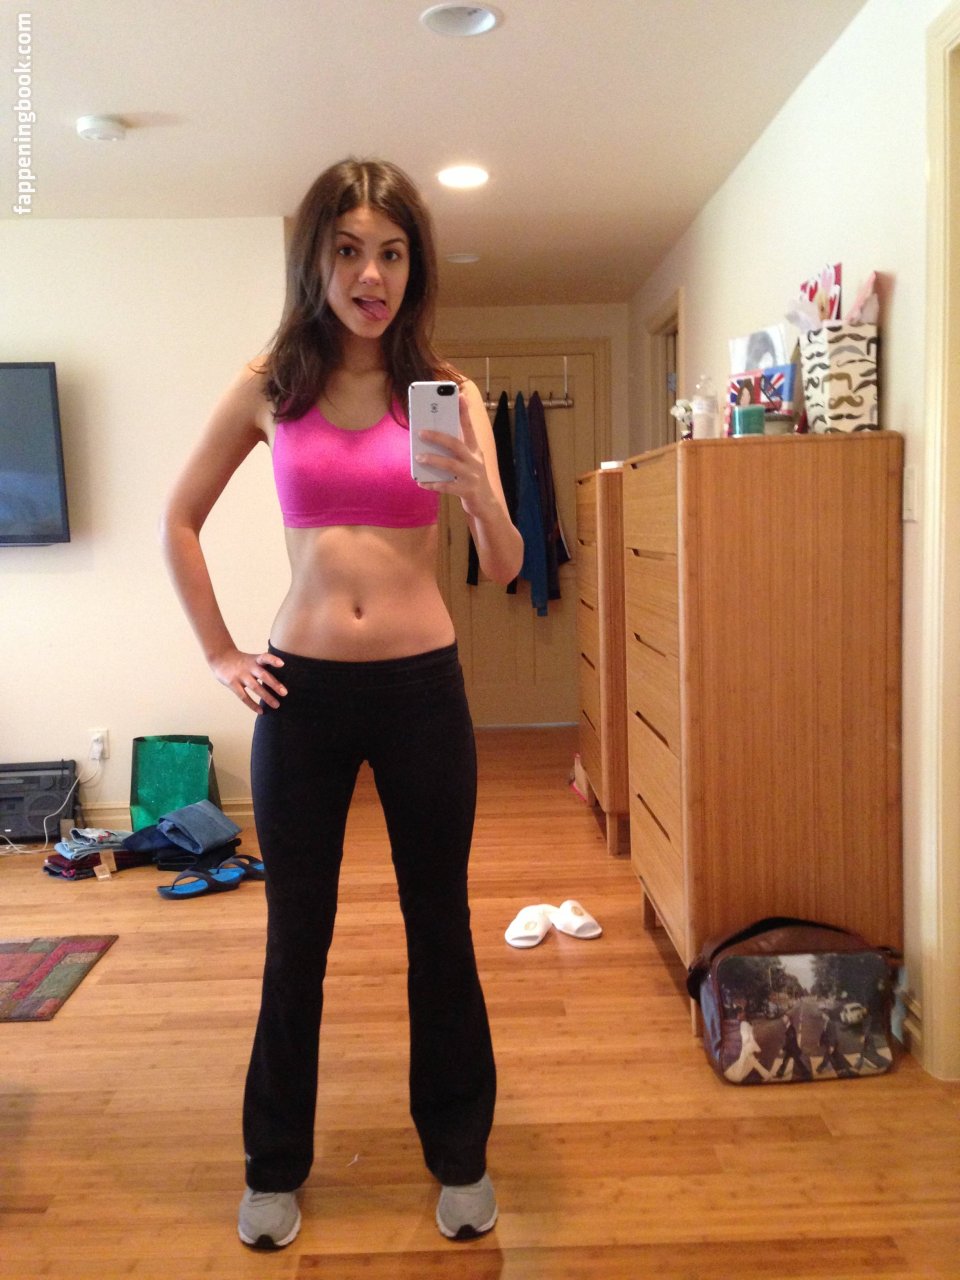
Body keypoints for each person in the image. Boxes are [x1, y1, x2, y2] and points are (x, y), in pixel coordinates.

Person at [160, 157, 523, 1250]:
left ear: (416, 267)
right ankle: (274, 1165)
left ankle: (460, 1155)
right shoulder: (272, 385)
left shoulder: (449, 393)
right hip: (302, 693)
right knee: (296, 937)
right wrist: (221, 652)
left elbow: (506, 565)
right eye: (351, 250)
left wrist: (481, 494)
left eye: (393, 253)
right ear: (316, 261)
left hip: (422, 690)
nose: (373, 275)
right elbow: (179, 518)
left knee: (440, 928)